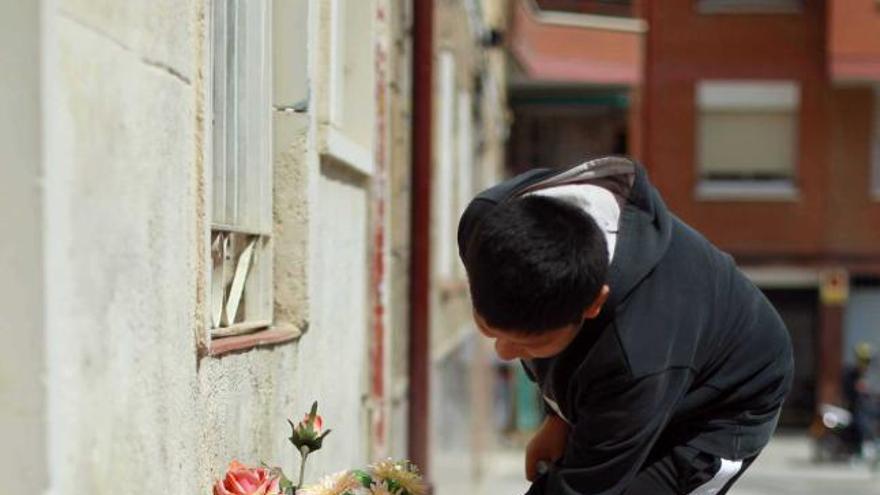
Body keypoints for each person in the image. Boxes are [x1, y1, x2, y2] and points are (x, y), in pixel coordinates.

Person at [457, 156, 794, 495]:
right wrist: (558, 418)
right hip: (640, 370)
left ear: (594, 303)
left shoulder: (637, 353)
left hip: (719, 401)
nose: (503, 352)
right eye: (489, 328)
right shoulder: (484, 223)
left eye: (529, 343)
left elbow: (584, 489)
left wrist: (574, 431)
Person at [842, 342, 877, 458]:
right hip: (855, 408)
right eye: (865, 361)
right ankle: (864, 447)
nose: (867, 364)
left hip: (865, 407)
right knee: (863, 422)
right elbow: (850, 393)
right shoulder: (851, 373)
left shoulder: (863, 375)